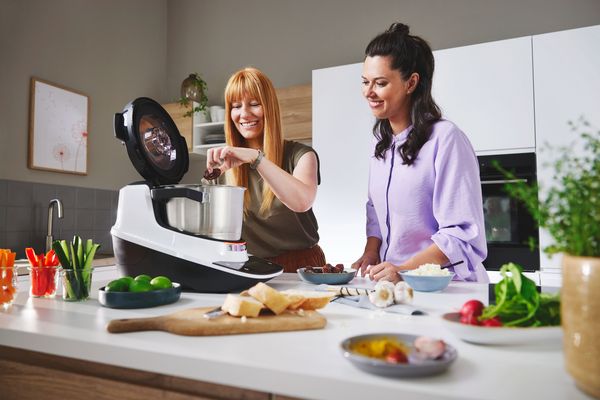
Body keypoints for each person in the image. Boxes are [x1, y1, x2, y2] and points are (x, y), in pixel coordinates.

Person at [351, 22, 488, 283]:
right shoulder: (380, 143)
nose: (369, 92)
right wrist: (371, 253)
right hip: (394, 284)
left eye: (380, 83)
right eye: (365, 82)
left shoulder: (446, 139)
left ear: (411, 82)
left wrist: (402, 269)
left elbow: (461, 234)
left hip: (443, 287)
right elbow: (375, 212)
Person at [205, 67, 324, 272]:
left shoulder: (301, 155)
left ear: (269, 107)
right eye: (236, 106)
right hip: (247, 267)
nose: (244, 114)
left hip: (301, 267)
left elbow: (302, 201)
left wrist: (256, 158)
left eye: (254, 104)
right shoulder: (222, 167)